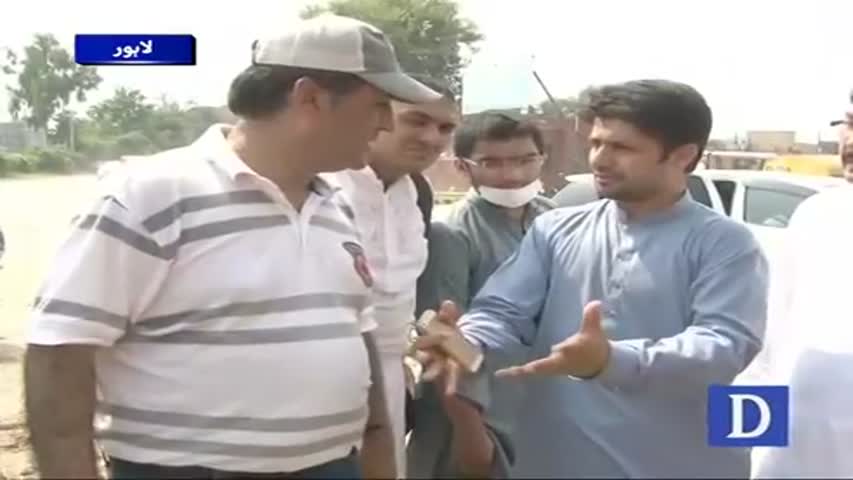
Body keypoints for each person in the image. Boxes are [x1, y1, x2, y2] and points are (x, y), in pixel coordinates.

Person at [23, 14, 440, 480]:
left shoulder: (334, 207)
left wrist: (378, 454)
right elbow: (61, 350)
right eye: (378, 105)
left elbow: (358, 343)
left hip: (333, 466)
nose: (386, 124)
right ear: (310, 98)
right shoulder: (151, 196)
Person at [415, 79, 769, 478]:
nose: (600, 159)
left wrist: (611, 360)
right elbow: (502, 311)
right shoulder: (555, 229)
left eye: (622, 148)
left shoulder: (725, 243)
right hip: (558, 462)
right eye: (597, 143)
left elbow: (724, 345)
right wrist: (465, 340)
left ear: (683, 155)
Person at [323, 76, 460, 477]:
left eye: (445, 128)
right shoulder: (322, 186)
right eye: (417, 121)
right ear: (377, 117)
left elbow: (398, 295)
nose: (432, 138)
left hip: (389, 386)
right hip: (319, 381)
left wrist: (421, 342)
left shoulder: (417, 192)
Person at [407, 113, 554, 478]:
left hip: (541, 402)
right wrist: (470, 423)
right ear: (463, 166)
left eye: (525, 160)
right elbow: (445, 339)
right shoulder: (451, 234)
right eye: (492, 163)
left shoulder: (555, 221)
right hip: (475, 410)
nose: (512, 175)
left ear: (543, 159)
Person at [748, 93, 853, 479]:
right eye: (849, 122)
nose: (850, 140)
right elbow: (766, 343)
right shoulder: (815, 214)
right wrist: (737, 447)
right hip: (790, 457)